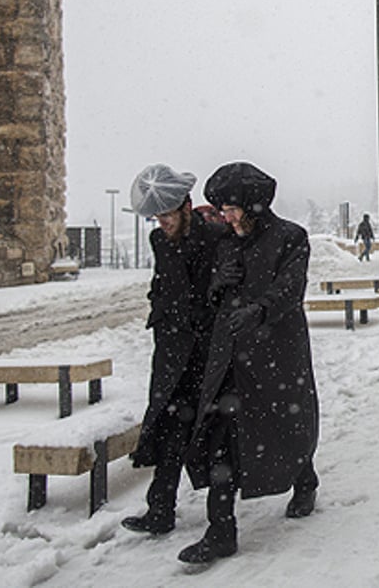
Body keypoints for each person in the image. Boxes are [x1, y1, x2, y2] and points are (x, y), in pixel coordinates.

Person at [179, 162, 320, 564]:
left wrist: (260, 310)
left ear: (254, 204)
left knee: (286, 423)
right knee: (222, 434)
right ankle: (220, 530)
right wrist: (218, 285)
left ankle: (304, 478)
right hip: (231, 357)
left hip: (277, 351)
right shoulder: (227, 242)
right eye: (221, 208)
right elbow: (209, 298)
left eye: (231, 207)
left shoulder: (291, 237)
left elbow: (291, 288)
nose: (226, 215)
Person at [121, 164, 231, 537]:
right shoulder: (159, 241)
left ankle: (221, 524)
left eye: (166, 214)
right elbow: (161, 284)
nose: (161, 222)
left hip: (205, 353)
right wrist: (161, 309)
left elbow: (224, 294)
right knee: (169, 431)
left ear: (185, 207)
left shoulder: (217, 238)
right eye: (156, 216)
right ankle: (160, 510)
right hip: (171, 352)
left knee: (214, 437)